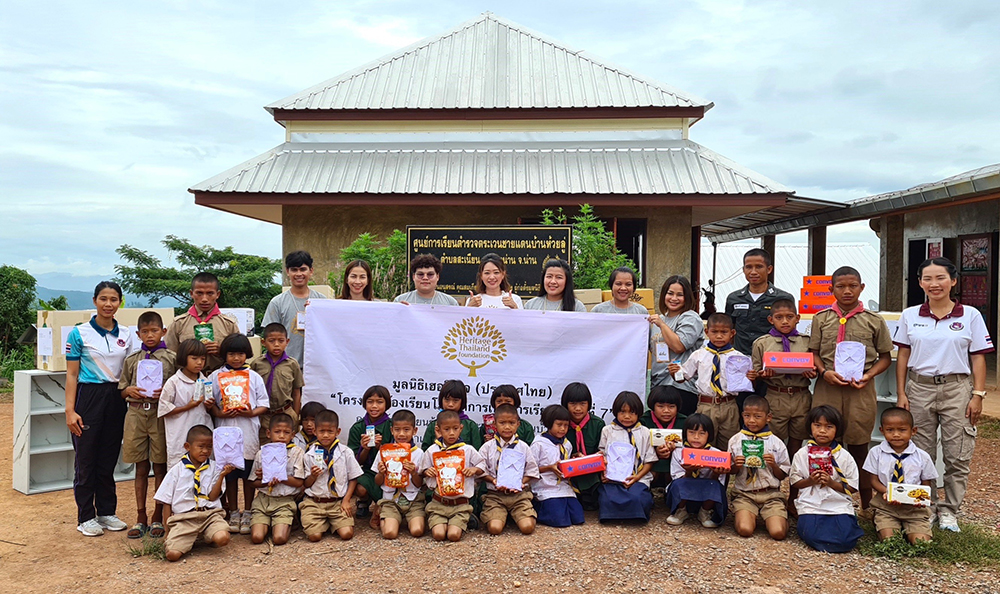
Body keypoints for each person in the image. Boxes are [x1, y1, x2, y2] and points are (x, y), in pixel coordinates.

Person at [894, 257, 992, 532]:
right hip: (919, 387)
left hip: (957, 389)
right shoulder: (910, 315)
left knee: (958, 452)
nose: (934, 284)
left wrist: (978, 395)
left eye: (940, 278)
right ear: (920, 283)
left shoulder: (970, 315)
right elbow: (903, 355)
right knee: (919, 452)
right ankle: (926, 506)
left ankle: (949, 510)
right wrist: (901, 392)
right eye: (928, 278)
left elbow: (978, 358)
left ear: (953, 281)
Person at [809, 266, 892, 509]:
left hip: (860, 391)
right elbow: (813, 354)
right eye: (841, 286)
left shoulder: (874, 321)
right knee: (824, 442)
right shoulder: (821, 319)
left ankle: (866, 503)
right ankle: (822, 499)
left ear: (862, 287)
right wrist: (824, 372)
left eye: (852, 286)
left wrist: (868, 375)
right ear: (830, 289)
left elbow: (885, 357)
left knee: (858, 445)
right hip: (828, 387)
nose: (847, 291)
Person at [64, 281, 136, 537]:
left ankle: (106, 512)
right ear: (95, 300)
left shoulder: (127, 334)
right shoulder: (79, 333)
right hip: (88, 396)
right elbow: (71, 375)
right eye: (103, 299)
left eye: (114, 299)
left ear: (120, 302)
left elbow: (131, 370)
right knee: (86, 460)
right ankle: (85, 517)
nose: (108, 304)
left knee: (107, 458)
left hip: (116, 398)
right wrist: (70, 411)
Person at [118, 311, 176, 539]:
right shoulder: (132, 360)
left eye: (154, 331)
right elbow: (122, 389)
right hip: (136, 415)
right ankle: (140, 516)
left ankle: (157, 516)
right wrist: (128, 391)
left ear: (164, 331)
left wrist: (167, 392)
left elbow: (178, 387)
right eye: (145, 332)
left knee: (160, 466)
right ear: (138, 333)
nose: (150, 336)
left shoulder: (171, 358)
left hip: (160, 417)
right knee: (141, 467)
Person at [208, 334, 269, 535]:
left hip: (248, 430)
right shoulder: (216, 376)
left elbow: (264, 404)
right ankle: (234, 512)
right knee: (230, 473)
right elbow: (210, 403)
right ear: (224, 355)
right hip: (225, 430)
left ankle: (249, 511)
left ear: (247, 354)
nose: (236, 358)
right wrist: (219, 412)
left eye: (240, 354)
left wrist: (251, 412)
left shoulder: (254, 377)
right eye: (231, 354)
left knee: (248, 473)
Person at [725, 248, 794, 410]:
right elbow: (730, 331)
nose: (753, 271)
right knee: (741, 410)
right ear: (743, 270)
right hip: (741, 365)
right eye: (748, 267)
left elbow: (788, 331)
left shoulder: (783, 298)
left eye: (759, 267)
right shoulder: (734, 298)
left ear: (769, 269)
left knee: (770, 410)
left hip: (771, 366)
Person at [153, 424, 234, 561]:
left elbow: (213, 497)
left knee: (223, 538)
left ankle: (206, 536)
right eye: (200, 446)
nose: (205, 451)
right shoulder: (176, 470)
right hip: (184, 519)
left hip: (209, 516)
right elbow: (166, 501)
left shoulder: (215, 467)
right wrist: (167, 532)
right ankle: (188, 538)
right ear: (187, 447)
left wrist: (222, 475)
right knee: (172, 555)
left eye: (209, 447)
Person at [790, 405, 864, 553]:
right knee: (811, 534)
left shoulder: (844, 456)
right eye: (817, 425)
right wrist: (810, 481)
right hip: (811, 504)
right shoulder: (802, 454)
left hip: (838, 504)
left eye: (829, 426)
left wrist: (831, 483)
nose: (822, 431)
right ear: (810, 427)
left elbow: (853, 487)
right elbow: (795, 481)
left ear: (837, 429)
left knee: (847, 539)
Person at [747, 298, 815, 455]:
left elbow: (815, 366)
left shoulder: (807, 342)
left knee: (798, 438)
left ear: (797, 318)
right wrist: (762, 374)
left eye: (790, 317)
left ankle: (793, 474)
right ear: (771, 320)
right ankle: (776, 474)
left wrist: (812, 372)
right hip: (776, 394)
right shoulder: (762, 343)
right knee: (774, 439)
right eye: (779, 317)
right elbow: (756, 372)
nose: (785, 321)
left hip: (801, 395)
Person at [862, 407, 938, 544]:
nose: (896, 434)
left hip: (914, 510)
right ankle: (886, 524)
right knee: (890, 541)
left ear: (913, 431)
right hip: (886, 506)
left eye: (902, 430)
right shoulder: (875, 453)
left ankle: (915, 528)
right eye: (890, 430)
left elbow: (926, 482)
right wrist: (889, 492)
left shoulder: (922, 457)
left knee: (921, 543)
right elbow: (873, 480)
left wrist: (922, 498)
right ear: (882, 431)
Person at [668, 313, 741, 449]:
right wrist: (674, 373)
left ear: (732, 333)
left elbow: (745, 385)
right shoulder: (699, 355)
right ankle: (703, 470)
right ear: (707, 332)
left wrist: (752, 377)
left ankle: (725, 470)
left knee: (730, 443)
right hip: (706, 405)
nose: (719, 336)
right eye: (714, 332)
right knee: (703, 442)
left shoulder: (738, 357)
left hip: (729, 404)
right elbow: (683, 377)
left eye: (724, 332)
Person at [727, 396, 790, 540]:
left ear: (768, 417)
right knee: (745, 530)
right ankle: (747, 515)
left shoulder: (776, 443)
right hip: (745, 494)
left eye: (757, 416)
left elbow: (782, 475)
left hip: (771, 494)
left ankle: (776, 517)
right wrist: (736, 465)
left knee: (778, 533)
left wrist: (773, 465)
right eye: (747, 416)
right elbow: (730, 472)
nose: (752, 421)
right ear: (742, 415)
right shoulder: (736, 440)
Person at [420, 410, 487, 542]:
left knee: (453, 536)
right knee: (439, 535)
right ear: (438, 430)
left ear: (461, 428)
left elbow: (482, 465)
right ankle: (442, 521)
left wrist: (474, 469)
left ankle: (464, 519)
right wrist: (427, 471)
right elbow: (422, 470)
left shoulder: (467, 449)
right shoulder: (433, 450)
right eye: (446, 429)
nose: (451, 433)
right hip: (438, 502)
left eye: (455, 429)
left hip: (460, 504)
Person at [478, 404, 540, 535]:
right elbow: (480, 471)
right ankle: (502, 516)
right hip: (495, 495)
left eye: (511, 423)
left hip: (519, 495)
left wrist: (521, 483)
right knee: (495, 529)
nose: (507, 427)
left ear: (518, 424)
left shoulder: (523, 447)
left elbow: (532, 471)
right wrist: (493, 480)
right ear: (494, 424)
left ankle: (517, 516)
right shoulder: (487, 447)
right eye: (502, 423)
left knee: (527, 528)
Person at [301, 410, 363, 541]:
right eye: (322, 431)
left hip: (337, 503)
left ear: (338, 431)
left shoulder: (346, 452)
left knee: (347, 534)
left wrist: (346, 500)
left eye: (330, 431)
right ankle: (324, 523)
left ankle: (332, 522)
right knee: (314, 536)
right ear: (315, 432)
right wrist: (312, 476)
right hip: (315, 502)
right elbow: (305, 484)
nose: (325, 435)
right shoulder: (309, 455)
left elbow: (353, 477)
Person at [648, 275, 704, 416]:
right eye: (670, 293)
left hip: (682, 387)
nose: (674, 298)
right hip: (658, 386)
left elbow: (679, 346)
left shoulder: (690, 317)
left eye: (680, 295)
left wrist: (661, 324)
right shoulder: (657, 320)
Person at [598, 391, 656, 523]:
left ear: (639, 413)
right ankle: (611, 517)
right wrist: (604, 472)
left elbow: (649, 461)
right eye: (622, 412)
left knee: (638, 497)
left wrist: (637, 477)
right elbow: (602, 455)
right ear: (615, 411)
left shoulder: (645, 432)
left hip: (637, 477)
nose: (627, 416)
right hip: (613, 478)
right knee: (607, 497)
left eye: (632, 412)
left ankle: (636, 516)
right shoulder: (608, 431)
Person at [164, 272, 241, 373]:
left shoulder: (229, 324)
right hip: (188, 381)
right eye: (199, 293)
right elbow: (169, 358)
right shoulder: (178, 323)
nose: (204, 299)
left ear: (217, 294)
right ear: (192, 294)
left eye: (210, 293)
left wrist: (221, 351)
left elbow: (239, 356)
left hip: (221, 380)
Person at [248, 413, 306, 546]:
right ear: (268, 433)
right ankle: (268, 523)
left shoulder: (297, 453)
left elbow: (299, 482)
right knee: (257, 538)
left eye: (286, 432)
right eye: (277, 432)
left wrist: (280, 477)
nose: (281, 436)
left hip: (284, 501)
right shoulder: (262, 453)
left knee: (279, 539)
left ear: (292, 435)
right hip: (263, 500)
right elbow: (252, 482)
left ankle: (286, 523)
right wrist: (265, 478)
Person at [262, 251, 329, 366]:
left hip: (317, 366)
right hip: (286, 366)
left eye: (303, 269)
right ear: (287, 272)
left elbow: (329, 332)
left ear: (311, 271)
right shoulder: (277, 302)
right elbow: (269, 336)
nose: (298, 274)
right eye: (294, 270)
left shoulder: (321, 301)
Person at [158, 339, 213, 469]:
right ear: (184, 358)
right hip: (180, 433)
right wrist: (188, 406)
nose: (199, 362)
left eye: (202, 359)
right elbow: (163, 409)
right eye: (194, 358)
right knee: (180, 470)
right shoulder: (174, 382)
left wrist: (210, 405)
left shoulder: (205, 381)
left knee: (203, 468)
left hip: (202, 429)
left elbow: (208, 409)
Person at [665, 414, 728, 528]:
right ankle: (681, 511)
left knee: (715, 485)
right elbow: (676, 478)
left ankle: (705, 511)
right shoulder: (679, 452)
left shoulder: (717, 454)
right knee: (679, 484)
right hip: (684, 494)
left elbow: (719, 482)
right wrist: (688, 471)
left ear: (709, 435)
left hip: (705, 493)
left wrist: (716, 473)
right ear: (685, 433)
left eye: (702, 433)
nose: (696, 437)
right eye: (692, 432)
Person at [373, 409, 426, 539]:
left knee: (417, 531)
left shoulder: (419, 453)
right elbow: (378, 481)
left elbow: (420, 484)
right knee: (389, 533)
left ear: (415, 431)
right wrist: (381, 473)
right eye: (397, 430)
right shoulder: (384, 451)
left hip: (413, 499)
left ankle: (406, 518)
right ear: (392, 430)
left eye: (406, 430)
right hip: (391, 499)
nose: (401, 434)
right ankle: (383, 513)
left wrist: (413, 473)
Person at [347, 385, 394, 528]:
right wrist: (365, 448)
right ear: (364, 403)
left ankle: (386, 506)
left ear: (387, 404)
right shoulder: (358, 427)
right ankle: (363, 501)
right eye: (370, 401)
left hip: (389, 471)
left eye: (379, 402)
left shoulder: (392, 425)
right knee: (359, 487)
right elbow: (355, 462)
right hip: (367, 471)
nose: (374, 406)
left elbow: (400, 454)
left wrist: (381, 448)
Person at [531, 405, 585, 528]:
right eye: (559, 425)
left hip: (563, 485)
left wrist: (575, 459)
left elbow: (566, 464)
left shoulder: (567, 444)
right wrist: (549, 468)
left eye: (566, 425)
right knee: (560, 520)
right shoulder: (538, 444)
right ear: (549, 424)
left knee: (578, 517)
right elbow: (530, 469)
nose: (563, 429)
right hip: (545, 486)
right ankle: (536, 507)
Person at [251, 323, 303, 444]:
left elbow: (296, 392)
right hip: (263, 415)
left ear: (287, 341)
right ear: (263, 342)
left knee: (287, 450)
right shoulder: (257, 364)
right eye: (271, 341)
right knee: (263, 448)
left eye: (281, 341)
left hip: (285, 413)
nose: (276, 344)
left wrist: (295, 416)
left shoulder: (292, 364)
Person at [561, 382, 605, 510]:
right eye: (573, 404)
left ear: (589, 404)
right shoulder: (561, 424)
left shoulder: (597, 424)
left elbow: (602, 450)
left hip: (592, 472)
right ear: (565, 404)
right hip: (569, 472)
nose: (578, 409)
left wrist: (591, 458)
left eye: (582, 404)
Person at [639, 385, 686, 491]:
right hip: (650, 460)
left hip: (675, 460)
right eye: (661, 406)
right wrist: (655, 452)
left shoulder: (684, 422)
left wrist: (676, 451)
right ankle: (646, 491)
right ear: (652, 406)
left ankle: (671, 492)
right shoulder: (644, 421)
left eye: (671, 407)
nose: (666, 411)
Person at [421, 380, 483, 450]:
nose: (450, 404)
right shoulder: (434, 425)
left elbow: (477, 451)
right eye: (447, 400)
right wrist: (439, 442)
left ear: (462, 401)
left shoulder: (470, 426)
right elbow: (425, 451)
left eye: (455, 400)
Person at [394, 253, 459, 306]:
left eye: (430, 275)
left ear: (437, 277)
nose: (425, 278)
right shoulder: (400, 301)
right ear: (414, 277)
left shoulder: (450, 303)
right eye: (420, 274)